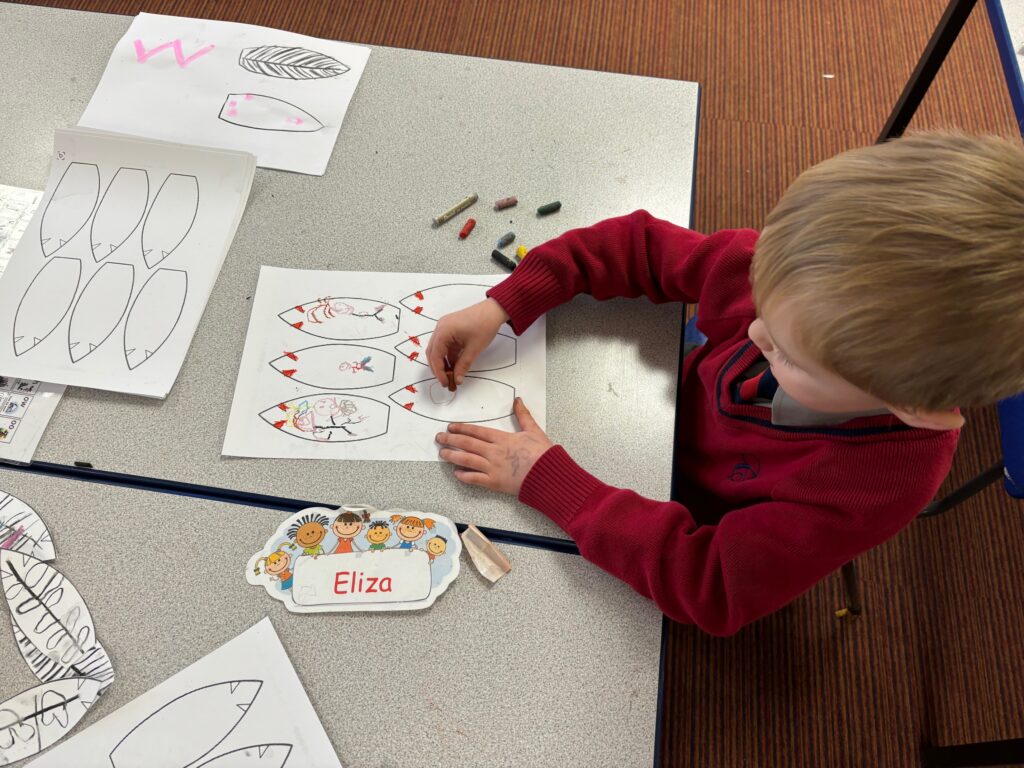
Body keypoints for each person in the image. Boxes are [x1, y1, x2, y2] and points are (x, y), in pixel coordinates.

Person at [427, 132, 1024, 636]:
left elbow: (710, 586)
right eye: (763, 294)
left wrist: (552, 482)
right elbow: (637, 246)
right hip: (664, 430)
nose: (753, 328)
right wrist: (506, 304)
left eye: (787, 353)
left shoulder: (878, 482)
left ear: (913, 409)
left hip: (688, 512)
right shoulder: (798, 278)